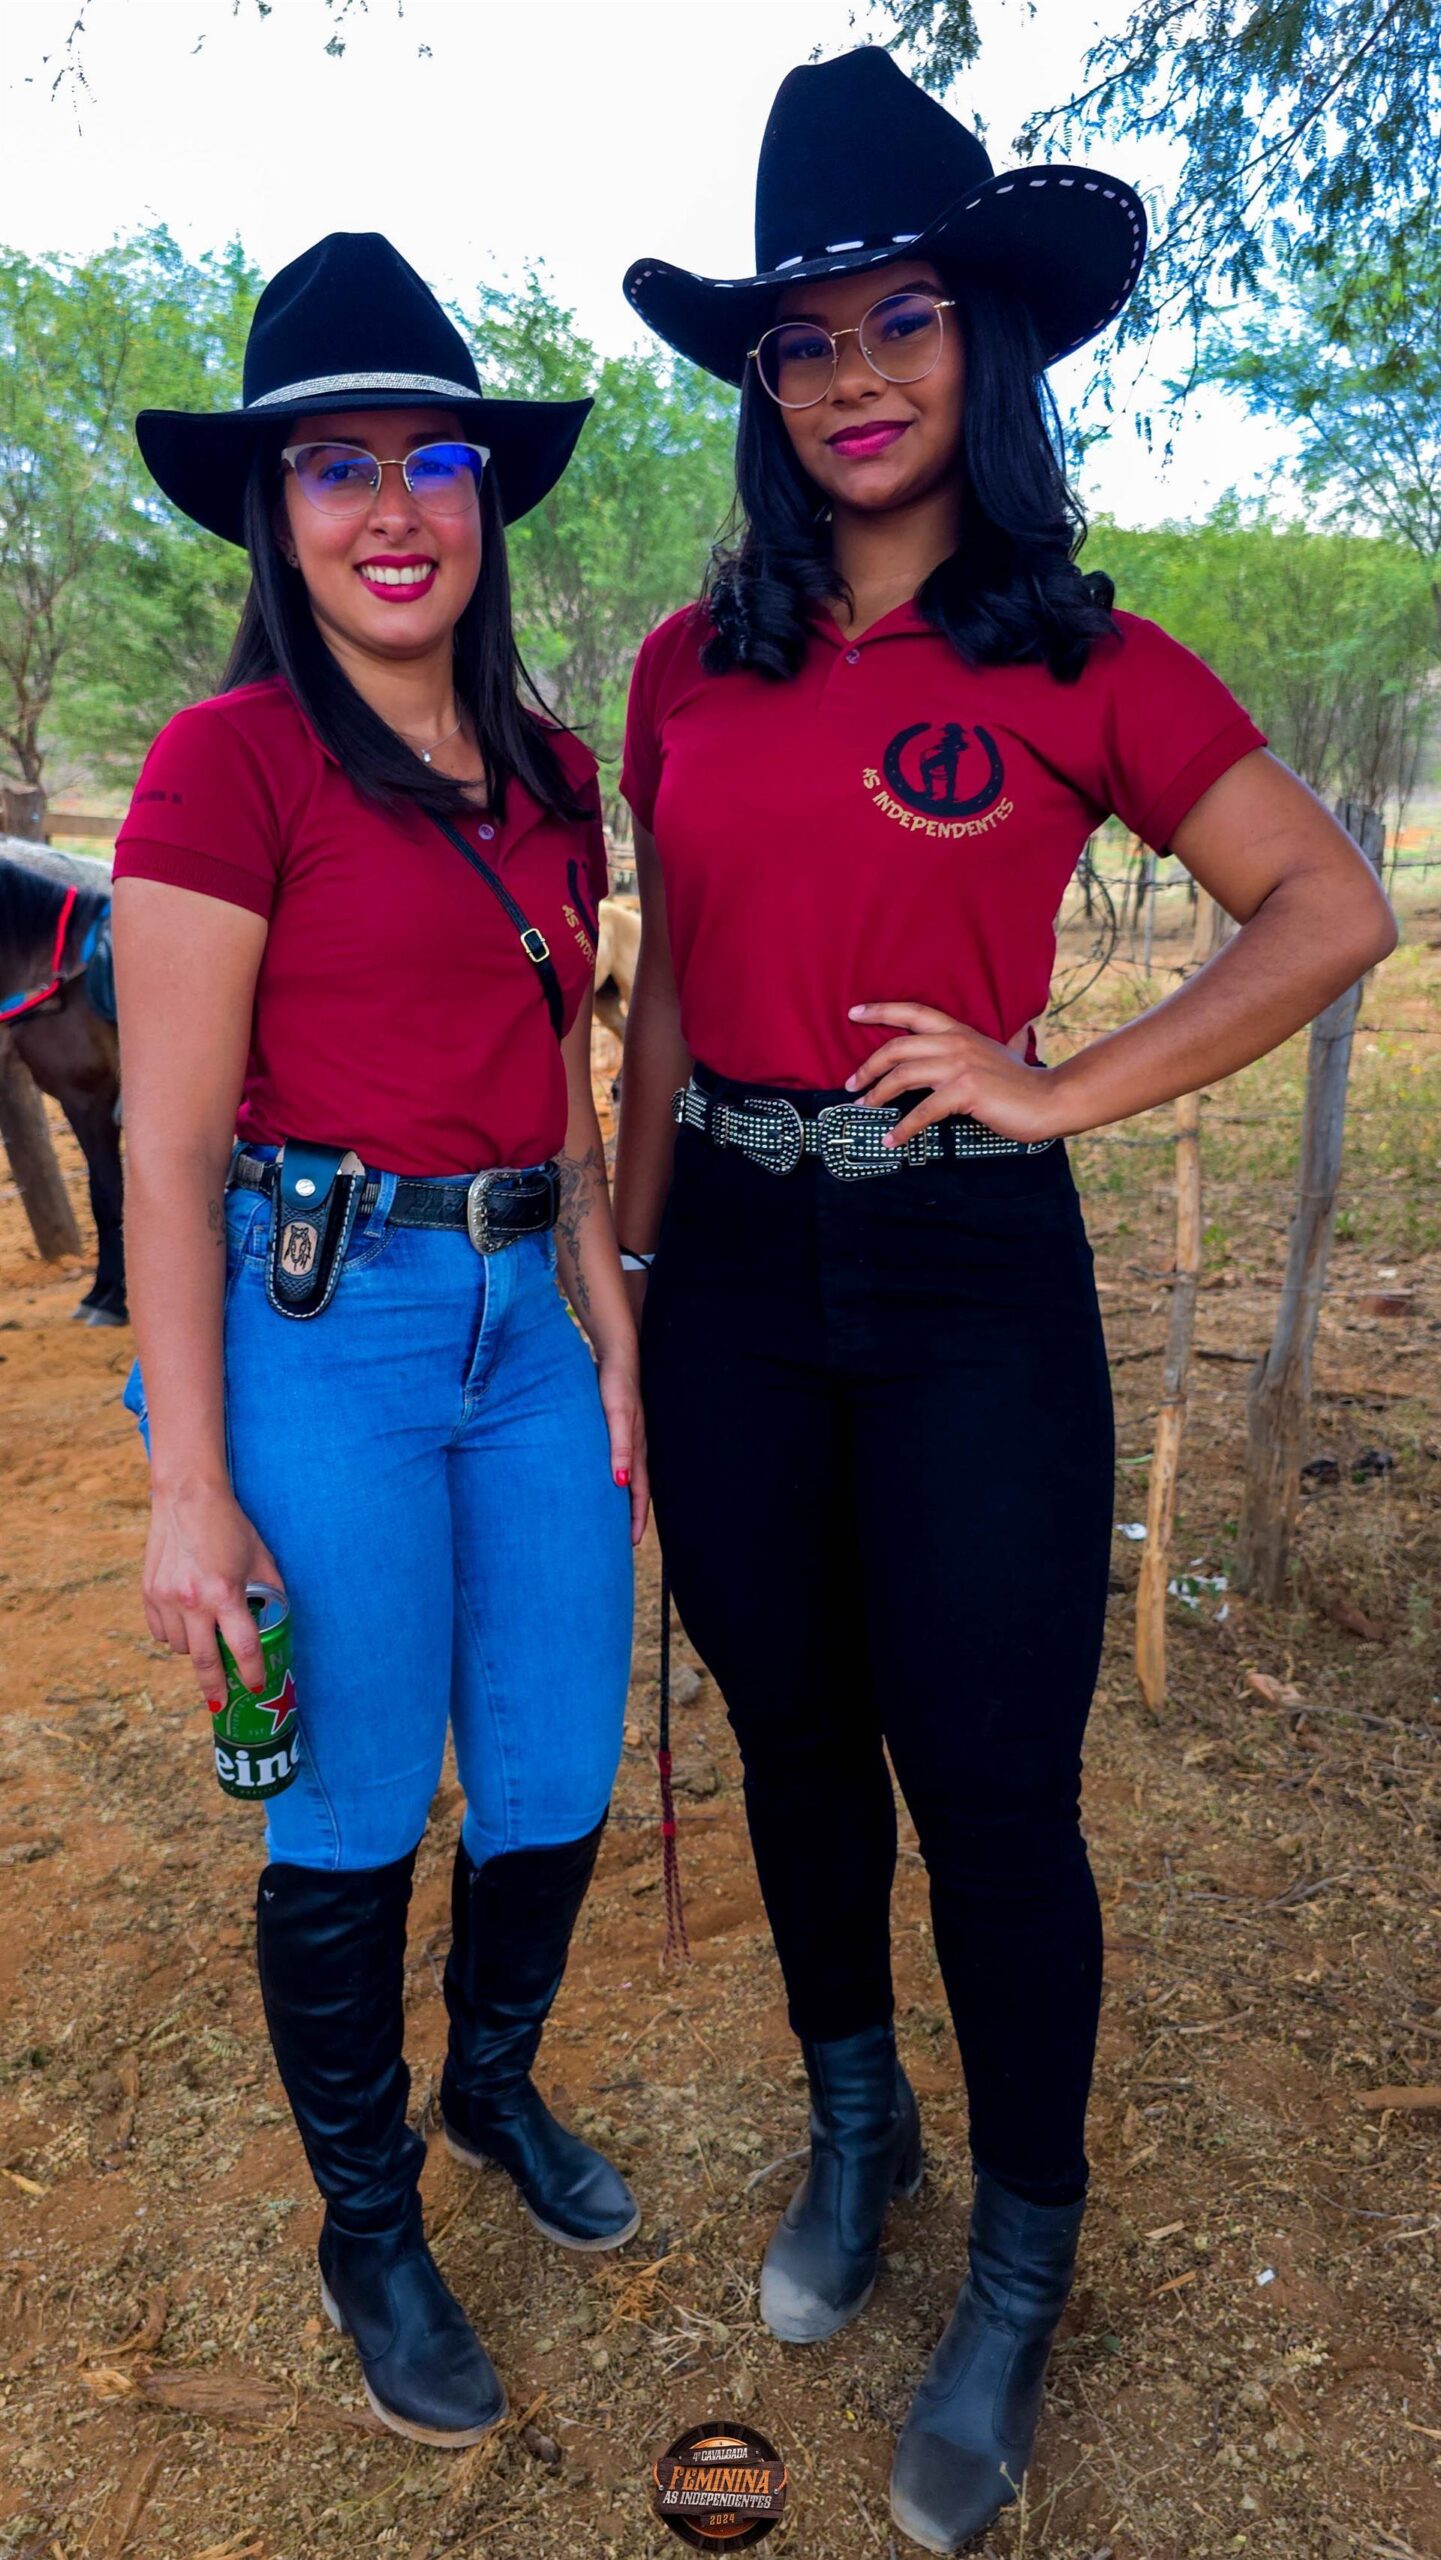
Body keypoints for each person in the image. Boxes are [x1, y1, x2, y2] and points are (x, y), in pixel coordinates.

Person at [615, 50, 1395, 2554]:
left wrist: (1061, 1087)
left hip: (966, 1272)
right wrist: (628, 1267)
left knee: (988, 1785)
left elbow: (1328, 904)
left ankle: (1023, 2259)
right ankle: (860, 2123)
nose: (852, 375)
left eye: (901, 319)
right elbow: (662, 995)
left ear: (985, 339)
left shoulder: (1079, 653)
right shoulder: (683, 659)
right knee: (795, 1737)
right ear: (761, 380)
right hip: (731, 1268)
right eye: (804, 338)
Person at [113, 233, 646, 2449]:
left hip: (530, 1322)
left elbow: (561, 1082)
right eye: (336, 467)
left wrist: (610, 1319)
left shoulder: (552, 771)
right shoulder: (226, 763)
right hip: (324, 1317)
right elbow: (161, 1153)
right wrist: (188, 1483)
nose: (395, 507)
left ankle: (490, 2087)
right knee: (345, 1799)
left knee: (555, 1764)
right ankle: (369, 2225)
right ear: (276, 509)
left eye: (434, 458)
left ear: (486, 492)